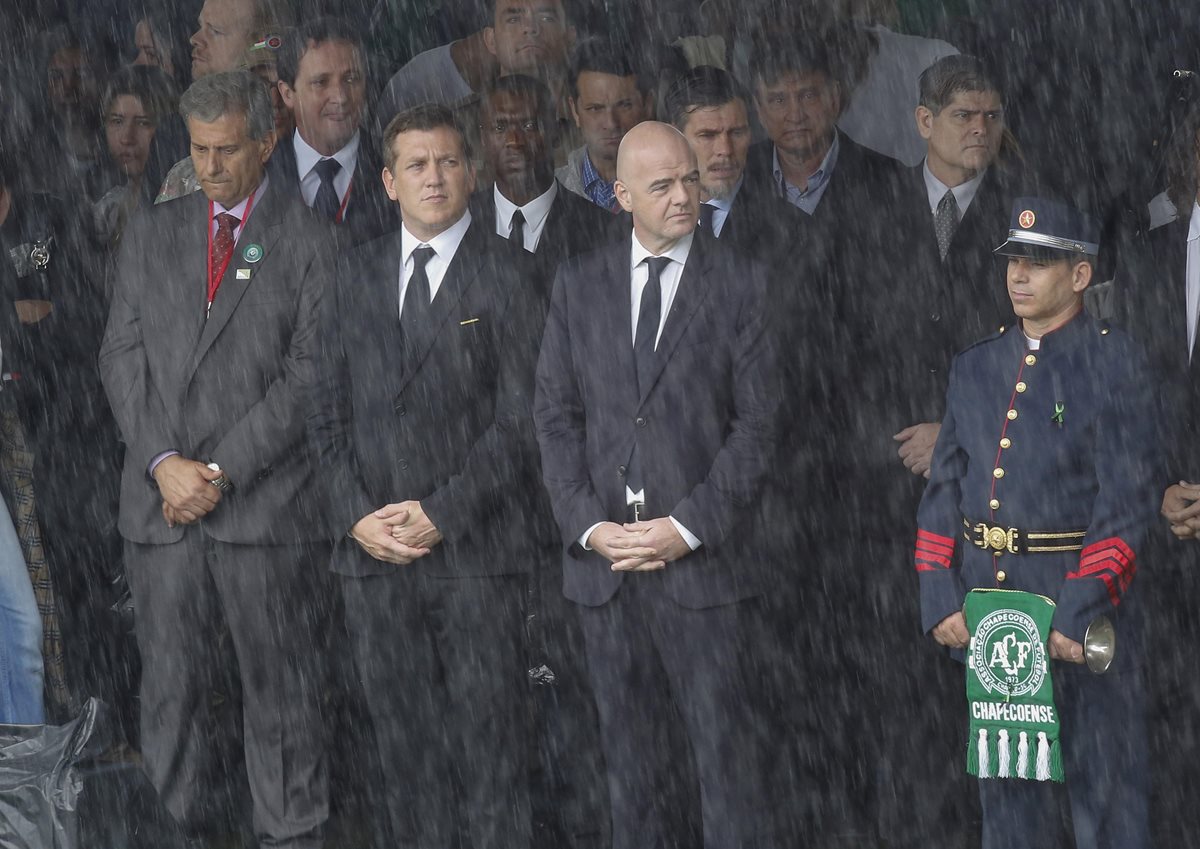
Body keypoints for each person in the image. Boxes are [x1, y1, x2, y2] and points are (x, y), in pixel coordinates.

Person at [99, 70, 334, 849]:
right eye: (199, 150)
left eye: (227, 149)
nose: (211, 167)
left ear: (267, 139)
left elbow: (309, 379)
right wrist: (165, 460)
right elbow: (119, 356)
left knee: (281, 701)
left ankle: (291, 835)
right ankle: (167, 838)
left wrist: (218, 471)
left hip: (263, 511)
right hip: (162, 510)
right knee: (169, 698)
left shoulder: (310, 240)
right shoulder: (154, 230)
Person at [307, 103, 548, 849]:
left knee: (490, 756)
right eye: (417, 164)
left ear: (472, 173)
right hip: (373, 558)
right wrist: (355, 515)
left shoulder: (513, 274)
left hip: (477, 558)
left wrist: (444, 510)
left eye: (448, 161)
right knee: (403, 755)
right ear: (387, 179)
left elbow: (524, 420)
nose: (434, 177)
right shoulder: (349, 275)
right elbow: (322, 419)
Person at [533, 121, 777, 849]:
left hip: (706, 572)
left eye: (692, 180)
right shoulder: (578, 285)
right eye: (664, 184)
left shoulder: (743, 281)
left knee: (726, 773)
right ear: (620, 195)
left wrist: (685, 527)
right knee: (630, 776)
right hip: (605, 572)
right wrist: (588, 525)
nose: (684, 197)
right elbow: (554, 416)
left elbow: (759, 429)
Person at [915, 197, 1158, 849]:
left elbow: (1126, 501)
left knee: (1103, 801)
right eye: (1013, 260)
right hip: (994, 616)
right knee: (1009, 808)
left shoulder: (1116, 363)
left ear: (1080, 274)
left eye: (1040, 261)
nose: (1019, 274)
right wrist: (940, 594)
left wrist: (1075, 612)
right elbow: (944, 491)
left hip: (1079, 605)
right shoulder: (975, 365)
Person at [1114, 93, 1200, 849]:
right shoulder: (1143, 258)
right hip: (1164, 544)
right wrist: (1158, 491)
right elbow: (1118, 400)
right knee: (1169, 731)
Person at [744, 31, 902, 222]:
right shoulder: (737, 174)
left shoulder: (889, 179)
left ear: (834, 98)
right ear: (759, 109)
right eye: (779, 100)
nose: (795, 115)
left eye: (808, 96)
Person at [269, 17, 396, 246]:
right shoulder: (261, 172)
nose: (340, 97)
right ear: (287, 93)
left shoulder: (396, 165)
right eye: (321, 82)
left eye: (351, 79)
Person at [472, 74, 615, 266]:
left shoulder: (602, 230)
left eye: (529, 126)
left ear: (555, 132)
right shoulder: (459, 220)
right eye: (499, 127)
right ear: (483, 138)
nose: (514, 141)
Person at [664, 64, 805, 259]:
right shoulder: (642, 222)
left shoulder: (794, 232)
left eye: (737, 133)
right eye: (708, 135)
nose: (725, 150)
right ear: (674, 138)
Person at [156, 0, 290, 203]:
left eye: (216, 31)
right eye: (259, 84)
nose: (195, 39)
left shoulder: (319, 167)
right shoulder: (181, 168)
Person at [374, 0, 576, 132]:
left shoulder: (593, 115)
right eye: (514, 19)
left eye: (546, 18)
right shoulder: (456, 125)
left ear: (570, 37)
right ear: (491, 40)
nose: (530, 28)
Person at [555, 37, 655, 212]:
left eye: (624, 105)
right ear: (574, 111)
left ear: (648, 106)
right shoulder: (551, 191)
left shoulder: (677, 187)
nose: (611, 123)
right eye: (595, 108)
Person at [93, 65, 179, 248]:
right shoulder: (105, 211)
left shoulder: (190, 211)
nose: (127, 138)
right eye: (117, 121)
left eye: (143, 123)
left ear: (168, 129)